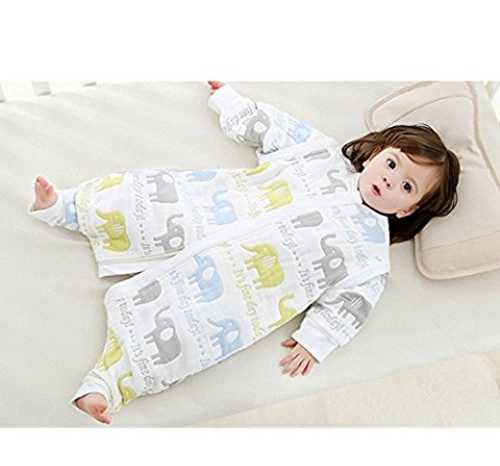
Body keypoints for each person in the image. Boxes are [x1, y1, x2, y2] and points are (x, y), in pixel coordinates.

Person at [29, 81, 460, 424]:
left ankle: (108, 382)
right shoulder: (320, 153)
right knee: (148, 197)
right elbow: (273, 127)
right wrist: (231, 103)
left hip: (237, 282)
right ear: (375, 154)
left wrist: (317, 341)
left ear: (407, 209)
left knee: (181, 335)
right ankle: (68, 208)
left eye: (407, 186)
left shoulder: (370, 255)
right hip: (207, 210)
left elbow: (353, 302)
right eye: (392, 164)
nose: (390, 180)